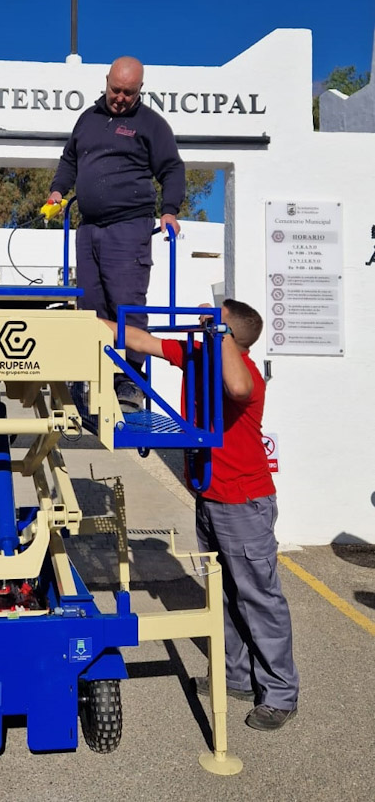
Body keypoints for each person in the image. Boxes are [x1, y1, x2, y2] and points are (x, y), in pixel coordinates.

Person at [102, 299, 300, 731]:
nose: (203, 322)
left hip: (243, 502)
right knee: (224, 594)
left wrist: (221, 331)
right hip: (210, 497)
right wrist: (87, 322)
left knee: (258, 599)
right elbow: (140, 340)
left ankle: (281, 694)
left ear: (231, 336)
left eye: (215, 322)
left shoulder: (245, 375)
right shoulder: (196, 356)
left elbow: (238, 389)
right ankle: (236, 677)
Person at [49, 55, 185, 413]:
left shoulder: (151, 124)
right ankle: (94, 377)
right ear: (106, 81)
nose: (121, 98)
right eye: (116, 89)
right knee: (90, 305)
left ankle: (129, 380)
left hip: (128, 228)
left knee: (126, 304)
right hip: (88, 228)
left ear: (140, 90)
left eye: (129, 92)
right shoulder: (87, 119)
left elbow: (172, 169)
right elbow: (69, 160)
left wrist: (170, 210)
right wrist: (58, 190)